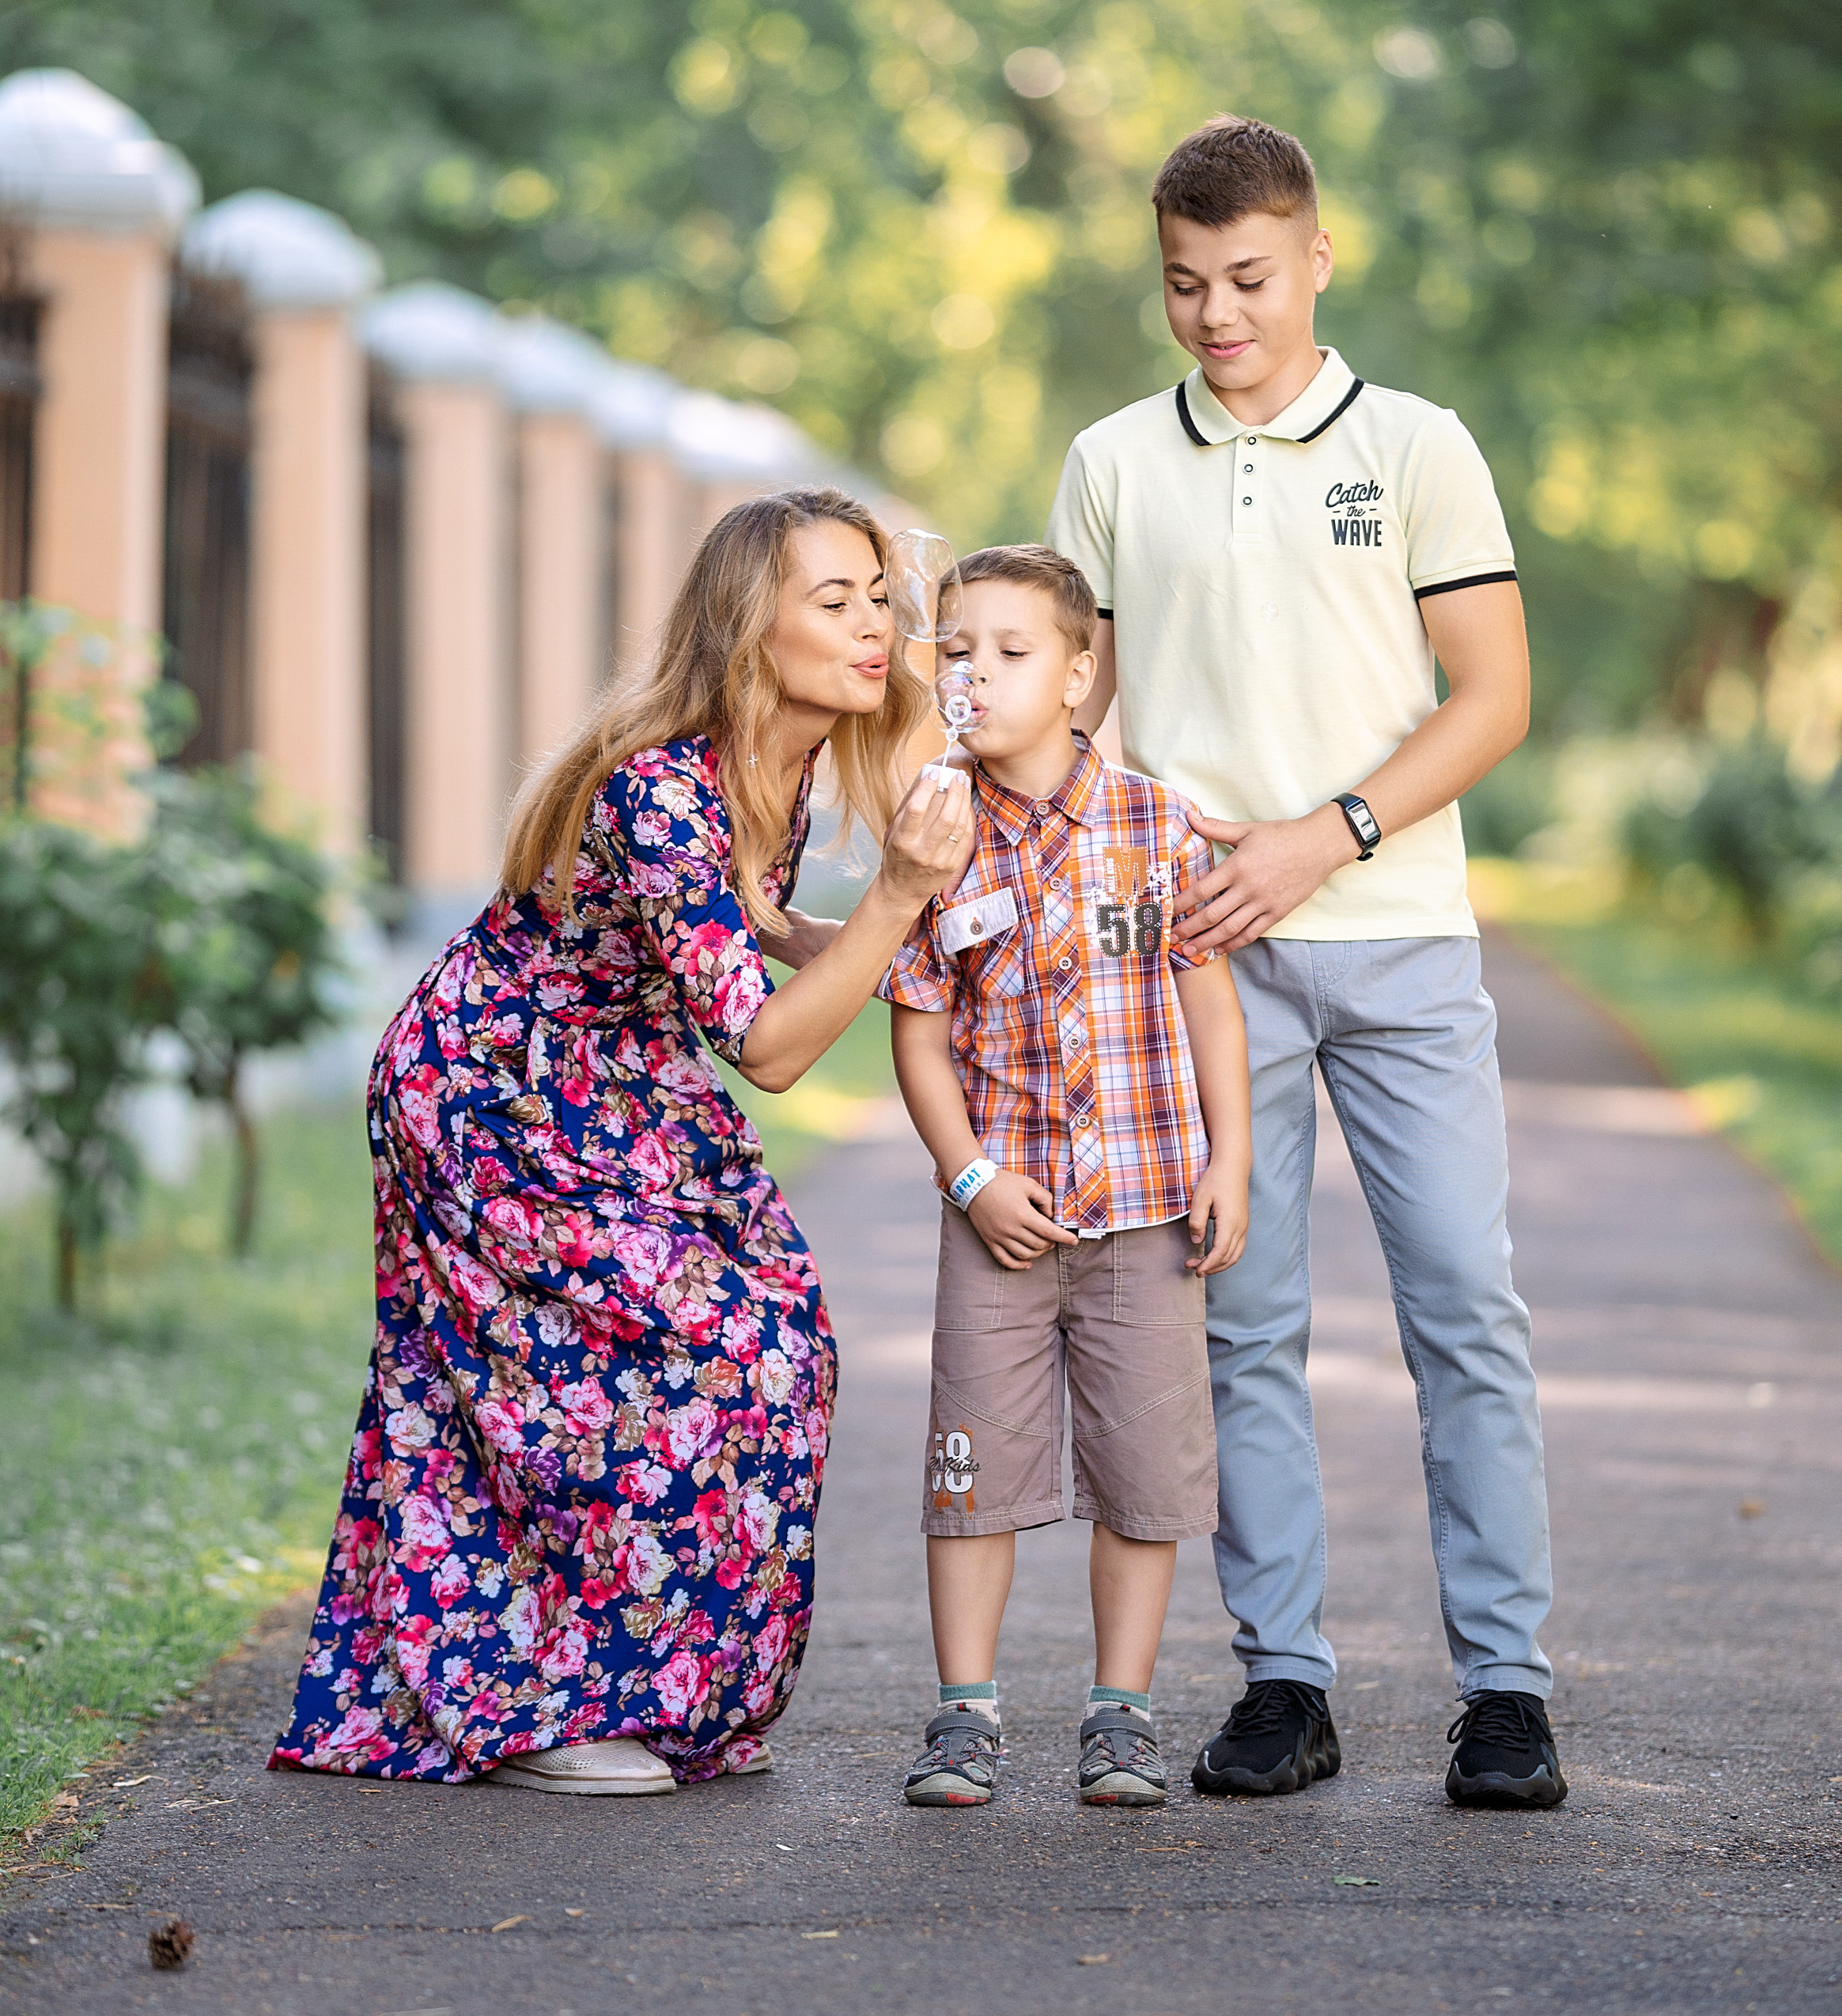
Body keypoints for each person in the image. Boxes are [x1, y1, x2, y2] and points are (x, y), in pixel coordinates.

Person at [270, 489, 974, 1798]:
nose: (875, 626)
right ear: (749, 628)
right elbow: (764, 1052)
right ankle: (545, 1708)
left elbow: (726, 911)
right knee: (607, 1378)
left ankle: (659, 1692)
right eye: (835, 603)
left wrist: (840, 942)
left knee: (780, 1340)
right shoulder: (656, 781)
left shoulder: (786, 753)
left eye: (879, 596)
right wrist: (892, 901)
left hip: (620, 1083)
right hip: (492, 1099)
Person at [1044, 114, 1566, 1813]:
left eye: (1248, 278)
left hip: (1397, 935)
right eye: (1185, 284)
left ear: (1315, 259)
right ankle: (1285, 1679)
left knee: (1463, 1311)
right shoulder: (1113, 462)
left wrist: (1320, 833)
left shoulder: (1417, 446)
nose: (1216, 314)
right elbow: (1074, 710)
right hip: (1198, 967)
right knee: (1240, 1323)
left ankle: (1506, 1690)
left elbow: (1489, 694)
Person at [880, 545, 1252, 1810]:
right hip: (1002, 1220)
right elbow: (918, 1028)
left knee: (1146, 1474)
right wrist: (968, 1174)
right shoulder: (932, 831)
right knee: (969, 1468)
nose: (974, 673)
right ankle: (965, 1717)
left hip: (1147, 1211)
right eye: (955, 651)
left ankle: (1121, 1716)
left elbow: (1206, 997)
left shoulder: (1155, 824)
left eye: (1010, 651)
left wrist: (1231, 1159)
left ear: (1079, 673)